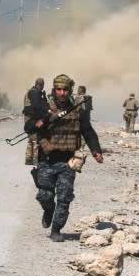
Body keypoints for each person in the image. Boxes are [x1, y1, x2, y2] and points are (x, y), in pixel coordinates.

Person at [24, 74, 103, 242]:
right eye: (59, 89)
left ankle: (56, 229)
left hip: (68, 161)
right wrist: (37, 123)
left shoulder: (77, 110)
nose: (62, 93)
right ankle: (48, 209)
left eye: (65, 90)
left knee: (64, 196)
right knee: (44, 195)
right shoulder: (44, 107)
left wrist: (96, 150)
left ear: (70, 91)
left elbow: (87, 131)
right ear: (54, 90)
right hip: (47, 159)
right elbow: (28, 127)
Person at [22, 78, 49, 166]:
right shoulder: (34, 92)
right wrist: (47, 112)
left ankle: (29, 158)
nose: (42, 87)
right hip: (32, 118)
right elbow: (37, 106)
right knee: (36, 138)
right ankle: (35, 160)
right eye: (42, 85)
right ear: (39, 84)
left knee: (32, 137)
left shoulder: (32, 91)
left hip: (30, 117)